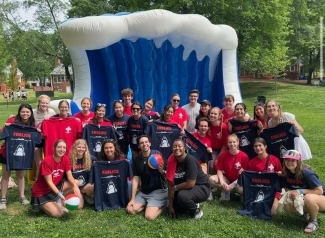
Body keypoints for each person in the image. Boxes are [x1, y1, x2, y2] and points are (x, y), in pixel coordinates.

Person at [0, 104, 40, 209]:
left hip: (23, 154)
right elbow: (1, 134)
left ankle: (22, 196)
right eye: (23, 111)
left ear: (31, 113)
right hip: (7, 152)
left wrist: (38, 132)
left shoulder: (33, 125)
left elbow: (38, 139)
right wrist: (5, 127)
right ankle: (3, 199)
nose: (25, 114)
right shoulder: (12, 120)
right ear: (19, 112)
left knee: (20, 175)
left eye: (27, 112)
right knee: (5, 175)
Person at [31, 140, 81, 217]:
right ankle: (40, 204)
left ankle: (56, 201)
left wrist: (75, 186)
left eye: (64, 147)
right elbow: (49, 182)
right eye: (59, 147)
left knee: (76, 182)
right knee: (58, 214)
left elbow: (69, 175)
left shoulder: (66, 159)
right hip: (42, 192)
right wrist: (60, 195)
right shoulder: (47, 161)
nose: (62, 149)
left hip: (55, 187)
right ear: (54, 148)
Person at [281, 149, 325, 234]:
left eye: (293, 160)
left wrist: (299, 191)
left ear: (298, 161)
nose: (289, 162)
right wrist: (292, 193)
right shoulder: (286, 173)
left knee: (309, 198)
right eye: (287, 159)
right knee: (286, 205)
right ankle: (306, 213)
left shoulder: (306, 173)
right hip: (306, 197)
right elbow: (286, 188)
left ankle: (313, 221)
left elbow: (319, 191)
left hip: (321, 198)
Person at [166, 139, 210, 220]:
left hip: (201, 187)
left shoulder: (190, 160)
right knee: (177, 211)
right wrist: (170, 206)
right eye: (174, 146)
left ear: (185, 148)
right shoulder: (171, 160)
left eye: (180, 146)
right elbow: (170, 183)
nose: (177, 148)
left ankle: (196, 211)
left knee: (182, 196)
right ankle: (189, 204)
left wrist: (175, 188)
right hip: (184, 187)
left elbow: (190, 183)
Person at [237, 138, 282, 215]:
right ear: (253, 148)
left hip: (273, 190)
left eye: (260, 145)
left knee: (272, 213)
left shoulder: (275, 160)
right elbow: (249, 178)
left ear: (265, 146)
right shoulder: (252, 162)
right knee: (239, 188)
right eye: (255, 146)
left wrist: (280, 173)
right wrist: (243, 172)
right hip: (257, 188)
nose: (258, 148)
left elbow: (281, 176)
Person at [126, 135, 167, 220]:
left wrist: (161, 171)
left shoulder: (157, 155)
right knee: (130, 210)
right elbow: (136, 179)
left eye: (146, 142)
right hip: (144, 192)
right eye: (141, 143)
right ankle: (147, 205)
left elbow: (166, 174)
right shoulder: (137, 160)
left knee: (149, 217)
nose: (144, 144)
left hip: (157, 190)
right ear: (138, 146)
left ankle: (165, 205)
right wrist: (132, 199)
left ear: (150, 143)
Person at [209, 134, 249, 201]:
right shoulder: (223, 154)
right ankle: (225, 191)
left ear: (238, 142)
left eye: (234, 142)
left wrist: (233, 184)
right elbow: (219, 169)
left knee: (240, 189)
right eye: (230, 142)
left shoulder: (244, 156)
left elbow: (244, 174)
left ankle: (242, 196)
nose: (232, 144)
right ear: (227, 143)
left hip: (239, 180)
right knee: (211, 179)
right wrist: (222, 182)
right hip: (227, 178)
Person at [33, 95, 56, 178]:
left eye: (47, 103)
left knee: (48, 162)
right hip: (37, 139)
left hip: (48, 140)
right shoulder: (33, 112)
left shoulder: (52, 112)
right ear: (39, 103)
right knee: (39, 164)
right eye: (43, 103)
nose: (45, 105)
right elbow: (23, 119)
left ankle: (50, 181)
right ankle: (38, 183)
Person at [70, 139, 96, 207]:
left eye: (83, 147)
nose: (81, 149)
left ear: (85, 148)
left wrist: (90, 183)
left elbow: (93, 173)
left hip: (85, 185)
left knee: (94, 187)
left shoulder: (91, 159)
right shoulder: (69, 159)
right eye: (79, 147)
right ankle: (82, 195)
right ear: (75, 147)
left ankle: (87, 194)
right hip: (75, 186)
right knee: (79, 206)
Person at [208, 107, 228, 174]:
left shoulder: (224, 127)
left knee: (214, 165)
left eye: (215, 114)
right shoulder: (208, 125)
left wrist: (218, 157)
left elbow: (225, 145)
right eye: (211, 113)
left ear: (219, 116)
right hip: (210, 149)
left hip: (221, 149)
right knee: (210, 166)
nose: (212, 115)